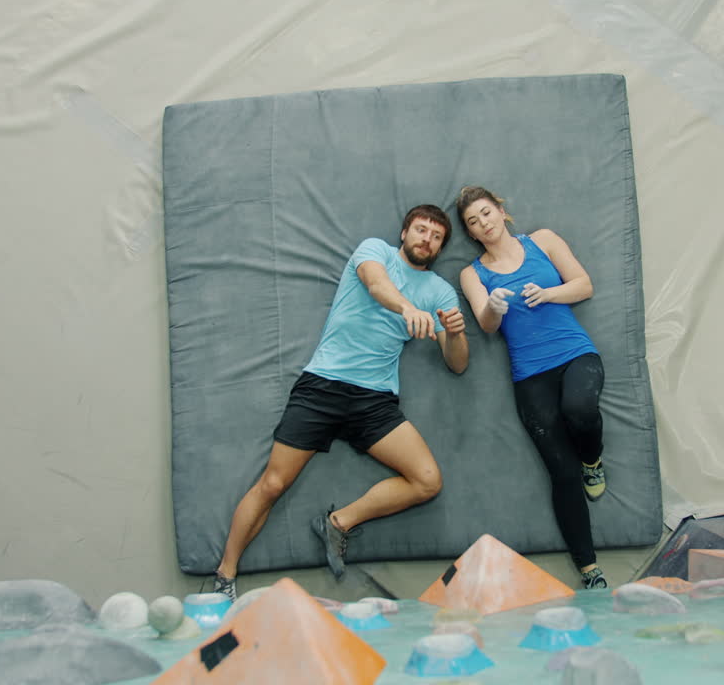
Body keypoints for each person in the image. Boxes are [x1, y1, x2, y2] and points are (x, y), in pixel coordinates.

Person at [211, 204, 468, 601]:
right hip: (324, 387)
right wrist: (408, 308)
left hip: (376, 401)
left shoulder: (439, 290)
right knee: (273, 483)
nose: (426, 240)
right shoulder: (375, 251)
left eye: (436, 237)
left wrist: (454, 333)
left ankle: (338, 522)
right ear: (404, 233)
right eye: (420, 230)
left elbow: (458, 364)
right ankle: (225, 575)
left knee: (427, 481)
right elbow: (377, 286)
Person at [454, 185, 609, 589]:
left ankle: (593, 460)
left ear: (501, 211)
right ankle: (589, 568)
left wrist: (549, 293)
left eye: (486, 213)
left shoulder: (543, 240)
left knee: (580, 411)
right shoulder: (473, 273)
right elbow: (487, 326)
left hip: (575, 354)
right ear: (470, 233)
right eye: (473, 222)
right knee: (561, 471)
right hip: (529, 374)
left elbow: (584, 285)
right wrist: (493, 306)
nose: (483, 224)